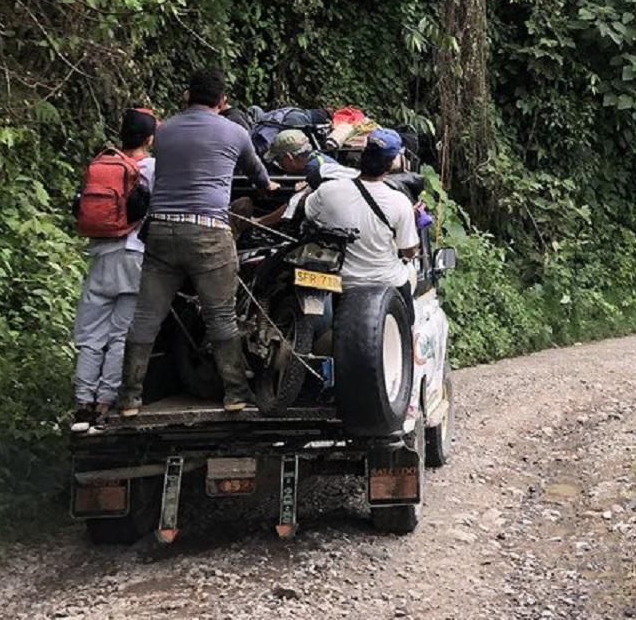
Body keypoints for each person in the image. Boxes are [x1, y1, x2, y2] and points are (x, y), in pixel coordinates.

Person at [118, 69, 279, 415]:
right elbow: (259, 176)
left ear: (186, 96)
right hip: (208, 232)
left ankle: (130, 398)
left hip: (161, 232)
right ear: (222, 102)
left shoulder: (164, 133)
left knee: (147, 316)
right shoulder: (235, 132)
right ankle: (235, 392)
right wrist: (270, 188)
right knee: (220, 316)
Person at [71, 108, 158, 433]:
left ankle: (82, 406)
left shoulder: (104, 164)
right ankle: (104, 408)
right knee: (120, 336)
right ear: (150, 138)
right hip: (135, 258)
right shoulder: (152, 167)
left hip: (101, 255)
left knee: (91, 337)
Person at [304, 128, 420, 310]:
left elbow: (309, 212)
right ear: (390, 165)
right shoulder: (400, 202)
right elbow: (408, 252)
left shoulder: (329, 190)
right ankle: (409, 336)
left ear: (363, 156)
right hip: (386, 280)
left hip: (339, 280)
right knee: (408, 314)